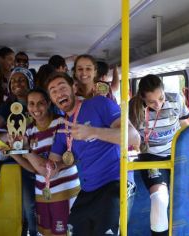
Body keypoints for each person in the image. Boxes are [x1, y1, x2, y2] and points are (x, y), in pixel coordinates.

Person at [44, 72, 140, 235]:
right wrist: (24, 153)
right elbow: (53, 166)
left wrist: (93, 132)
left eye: (62, 87)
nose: (59, 93)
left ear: (74, 88)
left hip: (115, 183)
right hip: (88, 190)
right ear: (52, 100)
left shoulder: (99, 104)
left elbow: (134, 137)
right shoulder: (62, 129)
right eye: (53, 91)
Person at [8, 88, 80, 235]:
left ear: (48, 103)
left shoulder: (61, 124)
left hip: (65, 191)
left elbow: (75, 156)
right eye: (31, 104)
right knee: (45, 233)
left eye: (40, 103)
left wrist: (56, 166)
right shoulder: (28, 131)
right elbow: (34, 168)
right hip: (42, 192)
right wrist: (13, 153)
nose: (36, 108)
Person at [129, 74, 189, 236]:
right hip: (151, 156)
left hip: (177, 154)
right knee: (159, 198)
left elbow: (185, 125)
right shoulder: (133, 108)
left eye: (161, 98)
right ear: (142, 97)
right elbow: (129, 136)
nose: (158, 104)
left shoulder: (176, 100)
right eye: (151, 102)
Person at [0, 66, 37, 236]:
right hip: (15, 156)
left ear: (30, 83)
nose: (17, 83)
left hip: (33, 154)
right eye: (13, 81)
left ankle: (34, 232)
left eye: (22, 79)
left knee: (30, 204)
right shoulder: (8, 106)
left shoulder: (38, 101)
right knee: (17, 203)